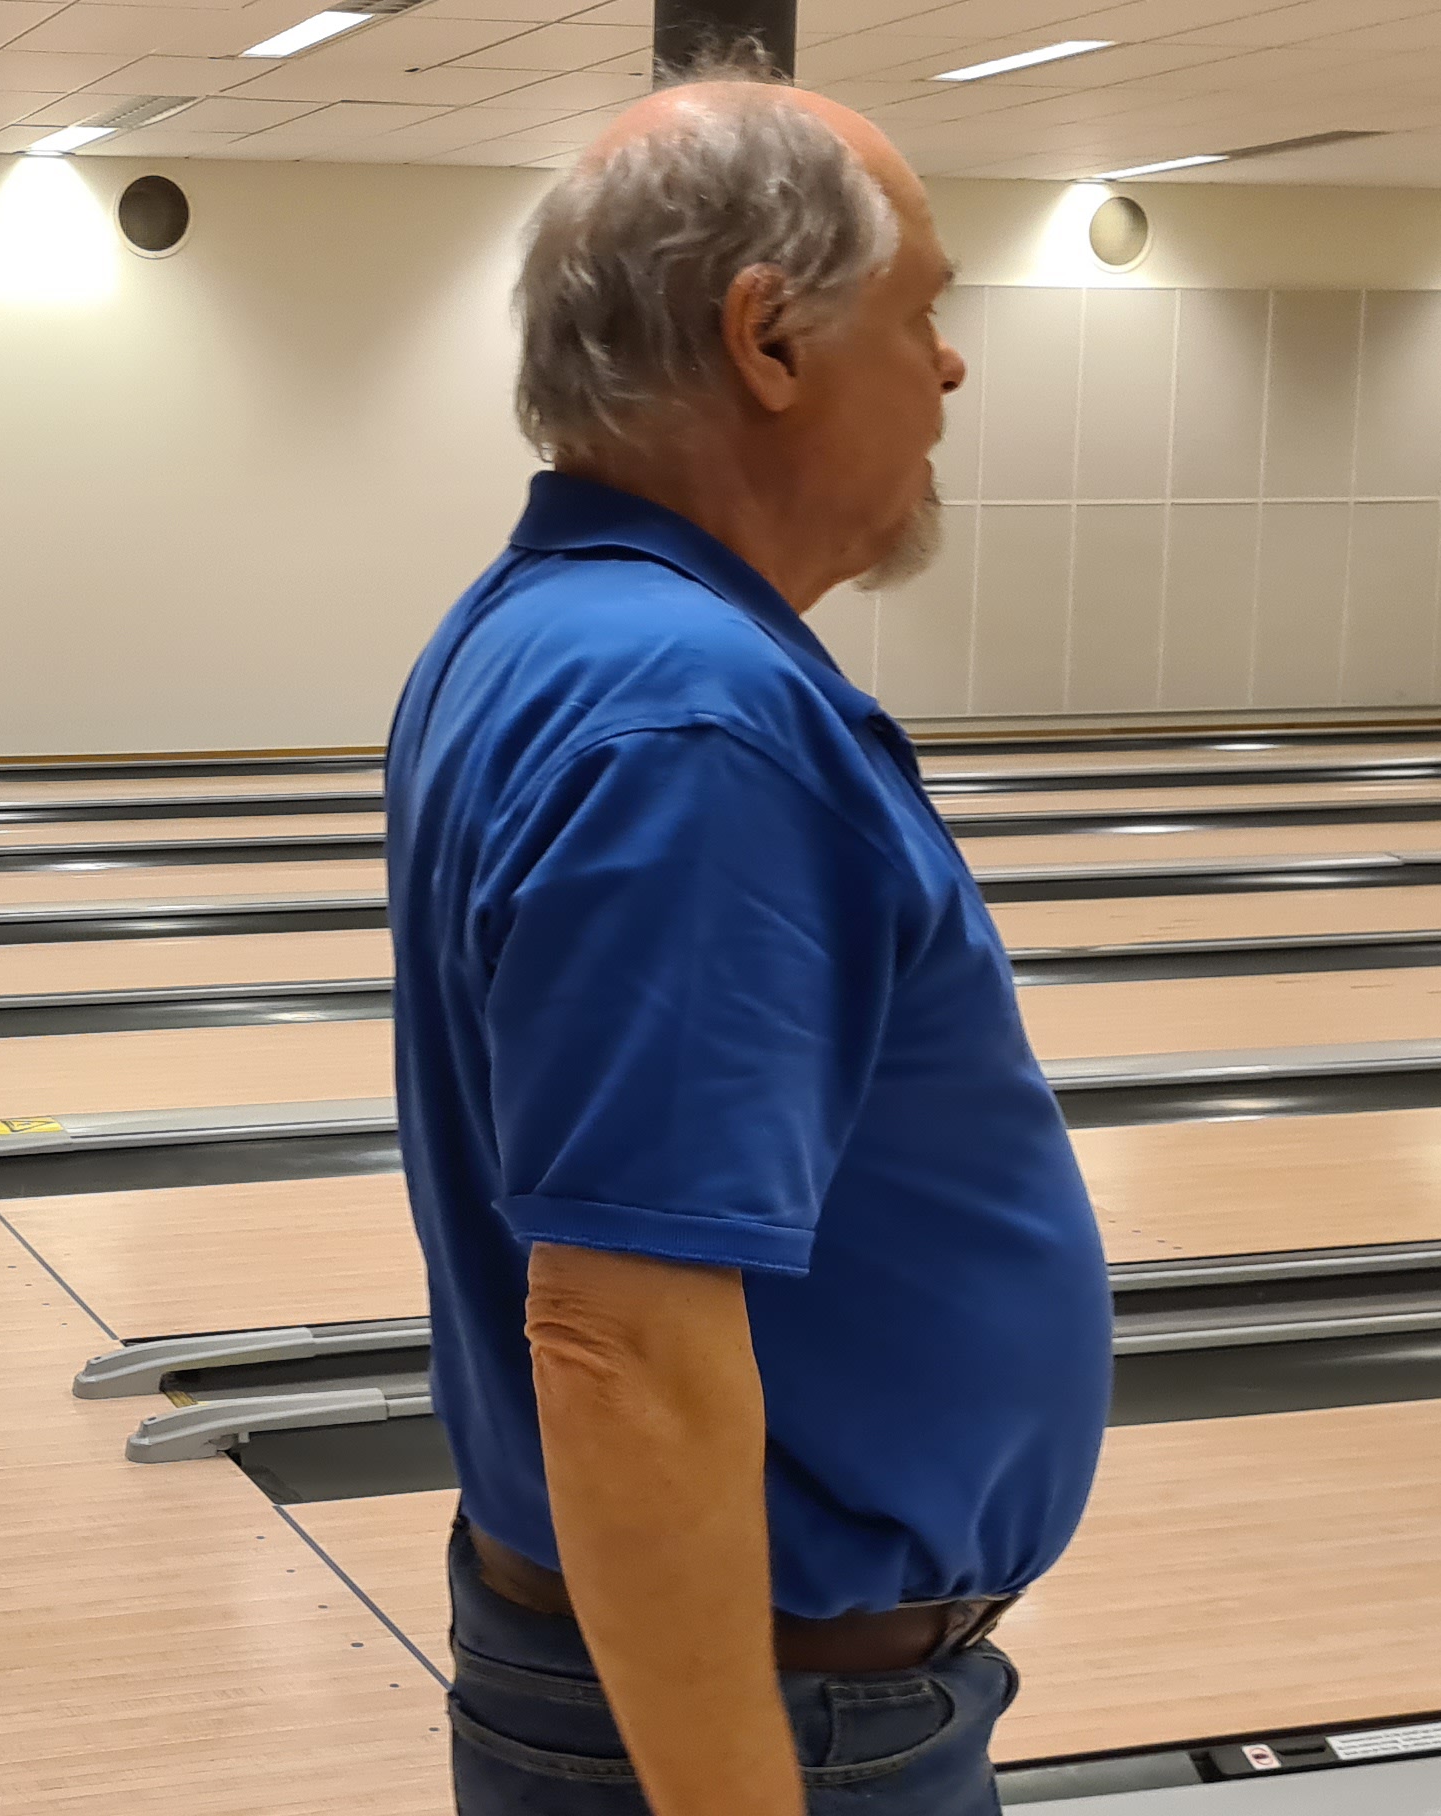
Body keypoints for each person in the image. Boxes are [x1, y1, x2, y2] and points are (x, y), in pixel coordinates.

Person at [384, 72, 1110, 1816]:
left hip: (689, 1675)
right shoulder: (689, 713)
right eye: (921, 310)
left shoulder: (543, 627)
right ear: (767, 337)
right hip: (773, 1719)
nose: (950, 367)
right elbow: (620, 1346)